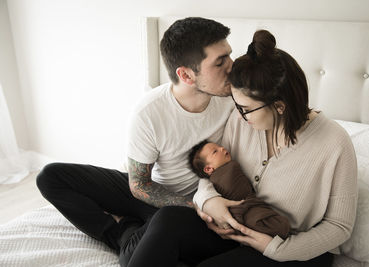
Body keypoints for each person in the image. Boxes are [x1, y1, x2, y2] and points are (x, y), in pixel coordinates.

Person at [128, 29, 358, 267]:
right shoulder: (241, 122)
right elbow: (214, 171)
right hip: (235, 232)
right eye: (237, 106)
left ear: (279, 107)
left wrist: (277, 249)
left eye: (245, 108)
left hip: (289, 249)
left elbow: (339, 226)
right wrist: (209, 201)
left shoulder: (334, 143)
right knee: (168, 219)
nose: (239, 114)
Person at [35, 17, 241, 267]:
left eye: (229, 56)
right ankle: (119, 234)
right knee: (50, 176)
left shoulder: (235, 97)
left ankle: (132, 232)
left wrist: (200, 204)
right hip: (155, 192)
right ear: (186, 74)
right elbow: (139, 184)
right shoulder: (149, 112)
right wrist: (192, 204)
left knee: (155, 234)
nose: (232, 66)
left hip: (189, 208)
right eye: (221, 62)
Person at [189, 140, 290, 238]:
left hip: (247, 204)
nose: (222, 148)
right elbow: (205, 190)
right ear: (209, 169)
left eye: (219, 146)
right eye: (215, 151)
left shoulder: (231, 166)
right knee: (263, 222)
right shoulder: (214, 179)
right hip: (238, 208)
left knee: (263, 219)